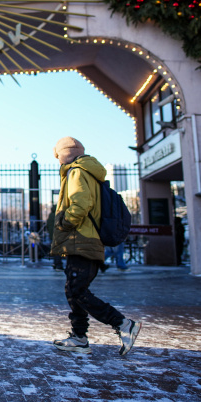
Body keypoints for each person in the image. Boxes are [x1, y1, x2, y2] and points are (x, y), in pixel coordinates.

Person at [50, 136, 142, 356]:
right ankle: (79, 336)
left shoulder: (76, 172)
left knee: (77, 290)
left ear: (64, 155)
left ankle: (121, 323)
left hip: (81, 239)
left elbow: (80, 204)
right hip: (86, 240)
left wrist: (64, 222)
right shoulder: (90, 173)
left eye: (58, 157)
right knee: (74, 289)